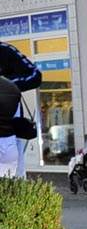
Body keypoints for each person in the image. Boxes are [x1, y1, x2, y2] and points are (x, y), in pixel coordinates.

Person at [0, 41, 42, 178]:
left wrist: (6, 84)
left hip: (7, 130)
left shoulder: (5, 51)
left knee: (12, 177)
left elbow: (35, 76)